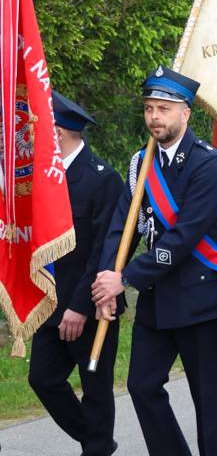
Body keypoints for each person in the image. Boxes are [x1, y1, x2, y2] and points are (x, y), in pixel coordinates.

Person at [91, 66, 217, 456]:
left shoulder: (207, 164)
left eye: (163, 109)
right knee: (141, 384)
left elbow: (184, 237)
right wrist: (108, 277)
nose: (154, 117)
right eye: (149, 108)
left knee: (208, 400)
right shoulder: (141, 163)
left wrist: (128, 277)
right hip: (157, 300)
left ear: (185, 114)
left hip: (198, 300)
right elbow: (123, 227)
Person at [28, 91, 123, 456]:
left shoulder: (102, 179)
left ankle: (96, 448)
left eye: (40, 128)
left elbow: (105, 250)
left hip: (91, 304)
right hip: (51, 302)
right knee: (43, 379)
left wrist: (81, 306)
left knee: (95, 385)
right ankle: (97, 440)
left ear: (59, 132)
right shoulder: (42, 179)